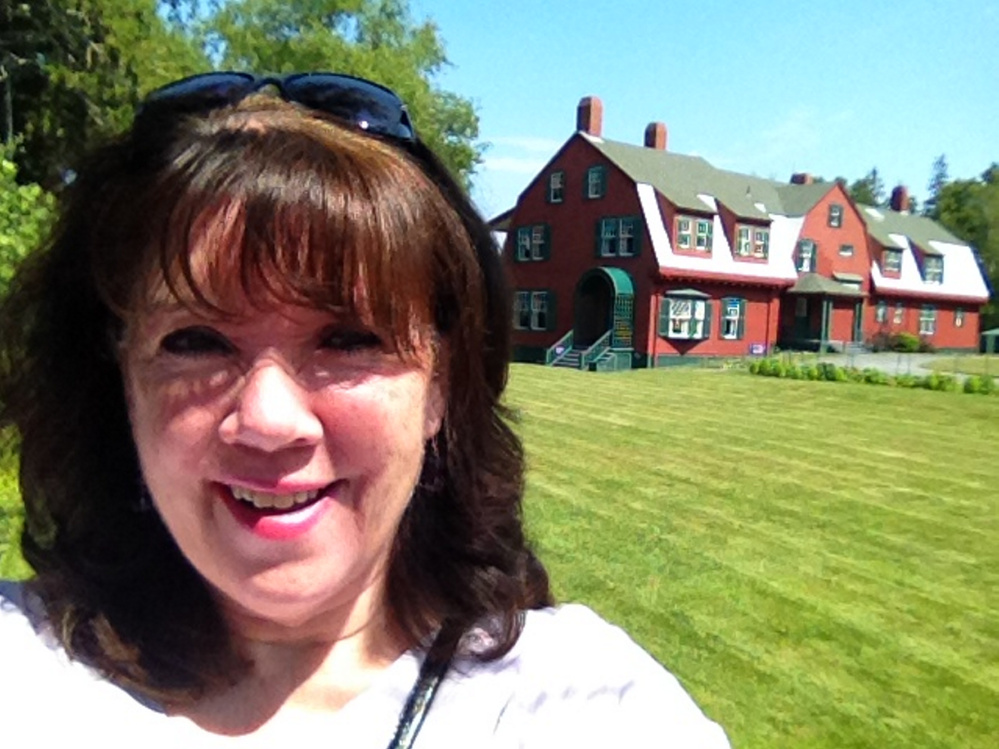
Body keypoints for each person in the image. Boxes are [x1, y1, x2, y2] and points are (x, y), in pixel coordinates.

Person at [0, 72, 729, 746]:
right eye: (196, 340)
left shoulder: (583, 708)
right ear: (121, 380)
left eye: (348, 338)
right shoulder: (26, 674)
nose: (269, 418)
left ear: (439, 387)